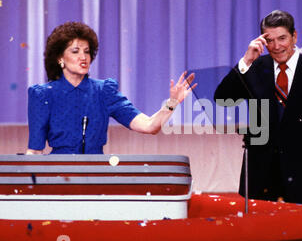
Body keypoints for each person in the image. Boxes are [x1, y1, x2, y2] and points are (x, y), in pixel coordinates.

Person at [214, 10, 302, 205]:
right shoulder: (255, 67)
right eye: (270, 40)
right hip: (260, 176)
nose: (276, 46)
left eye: (282, 38)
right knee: (258, 234)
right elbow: (223, 98)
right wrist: (246, 60)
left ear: (294, 36)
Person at [26, 21, 196, 154]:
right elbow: (34, 150)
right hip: (58, 176)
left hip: (96, 176)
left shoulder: (104, 92)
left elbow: (149, 126)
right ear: (59, 58)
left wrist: (172, 102)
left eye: (87, 51)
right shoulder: (43, 95)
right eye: (75, 51)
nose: (83, 57)